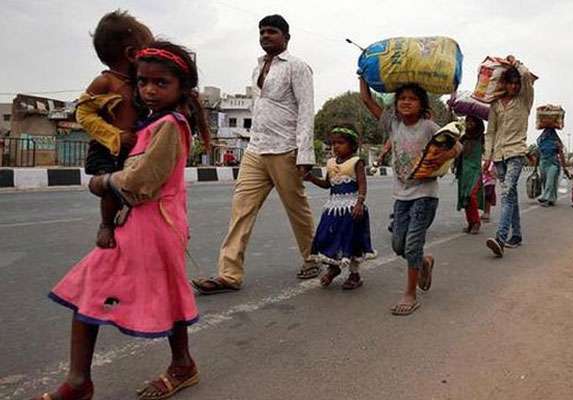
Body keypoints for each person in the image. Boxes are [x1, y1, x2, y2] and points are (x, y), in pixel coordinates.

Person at [35, 41, 209, 400]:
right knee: (100, 291)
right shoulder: (152, 122)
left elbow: (142, 181)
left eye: (161, 83)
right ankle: (82, 381)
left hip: (156, 226)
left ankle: (178, 366)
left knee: (156, 296)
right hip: (139, 225)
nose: (149, 89)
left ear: (182, 88)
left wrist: (104, 181)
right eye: (143, 81)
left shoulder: (171, 126)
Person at [191, 14, 319, 294]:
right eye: (261, 32)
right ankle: (229, 274)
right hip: (255, 148)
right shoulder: (258, 66)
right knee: (241, 209)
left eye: (271, 32)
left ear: (286, 37)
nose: (265, 36)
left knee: (297, 209)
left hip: (285, 148)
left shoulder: (297, 67)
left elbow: (306, 110)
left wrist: (304, 154)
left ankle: (313, 258)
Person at [360, 77, 461, 315]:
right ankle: (424, 262)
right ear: (395, 104)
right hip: (401, 195)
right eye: (402, 98)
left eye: (412, 99)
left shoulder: (427, 126)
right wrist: (362, 77)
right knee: (398, 245)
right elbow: (366, 100)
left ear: (422, 104)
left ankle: (410, 293)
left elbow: (457, 147)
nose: (406, 102)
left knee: (413, 243)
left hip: (425, 194)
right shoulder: (393, 125)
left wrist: (444, 157)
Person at [76, 10, 153, 249]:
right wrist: (115, 135)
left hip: (133, 147)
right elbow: (83, 113)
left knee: (131, 186)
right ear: (132, 54)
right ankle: (106, 224)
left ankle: (128, 223)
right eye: (147, 51)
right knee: (111, 186)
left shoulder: (140, 84)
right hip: (108, 147)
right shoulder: (106, 82)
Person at [304, 125, 375, 290]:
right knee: (327, 237)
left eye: (340, 143)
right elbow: (327, 184)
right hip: (333, 209)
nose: (336, 146)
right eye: (333, 143)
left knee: (351, 241)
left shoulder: (356, 162)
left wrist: (359, 203)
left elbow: (362, 185)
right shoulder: (330, 163)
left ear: (352, 145)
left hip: (351, 209)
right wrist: (311, 178)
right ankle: (333, 268)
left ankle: (354, 275)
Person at [483, 56, 535, 257]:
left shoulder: (524, 100)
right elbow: (491, 132)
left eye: (516, 83)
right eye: (510, 82)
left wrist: (516, 63)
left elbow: (527, 77)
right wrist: (488, 156)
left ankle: (500, 238)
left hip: (516, 153)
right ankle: (517, 235)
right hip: (498, 156)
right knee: (510, 195)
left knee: (506, 193)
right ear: (503, 84)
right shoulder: (495, 105)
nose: (513, 86)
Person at [455, 116, 486, 234]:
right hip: (463, 171)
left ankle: (476, 222)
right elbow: (455, 150)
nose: (469, 123)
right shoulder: (463, 138)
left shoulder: (482, 138)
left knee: (471, 195)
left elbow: (488, 151)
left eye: (472, 121)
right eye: (467, 121)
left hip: (475, 171)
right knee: (465, 197)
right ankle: (470, 223)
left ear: (478, 123)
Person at [536, 127, 568, 207]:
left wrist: (564, 167)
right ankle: (551, 199)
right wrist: (535, 168)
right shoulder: (541, 142)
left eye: (549, 132)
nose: (547, 133)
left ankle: (545, 198)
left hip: (553, 164)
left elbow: (561, 154)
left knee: (549, 181)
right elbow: (538, 154)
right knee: (545, 181)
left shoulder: (557, 143)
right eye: (546, 131)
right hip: (543, 163)